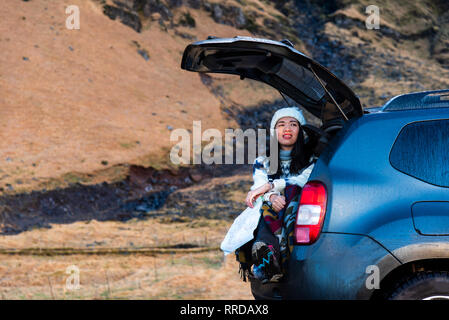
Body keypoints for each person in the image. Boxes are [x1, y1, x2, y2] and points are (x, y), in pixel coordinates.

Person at [238, 106, 315, 283]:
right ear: (274, 131)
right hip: (272, 206)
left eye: (293, 124)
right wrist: (271, 196)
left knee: (292, 195)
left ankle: (276, 255)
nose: (287, 129)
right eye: (281, 124)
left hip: (300, 206)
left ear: (300, 130)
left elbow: (303, 180)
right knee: (266, 207)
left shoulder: (313, 159)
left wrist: (271, 186)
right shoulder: (262, 161)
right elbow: (258, 185)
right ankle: (266, 255)